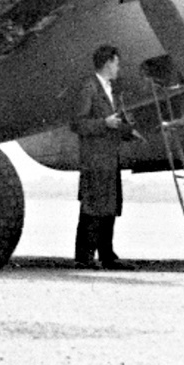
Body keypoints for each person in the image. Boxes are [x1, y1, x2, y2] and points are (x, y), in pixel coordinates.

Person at [71, 45, 138, 270]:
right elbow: (77, 123)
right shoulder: (88, 87)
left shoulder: (110, 89)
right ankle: (84, 255)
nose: (118, 68)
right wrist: (104, 123)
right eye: (117, 63)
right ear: (108, 62)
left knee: (109, 206)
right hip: (95, 158)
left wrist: (128, 130)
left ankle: (107, 254)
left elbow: (112, 122)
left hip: (109, 157)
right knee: (93, 207)